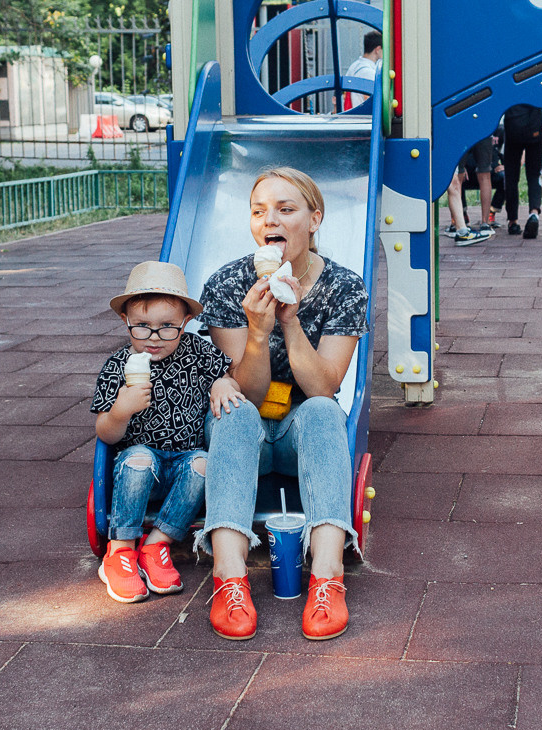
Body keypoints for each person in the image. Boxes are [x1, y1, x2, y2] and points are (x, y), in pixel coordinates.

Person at [195, 167, 369, 641]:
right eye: (258, 211)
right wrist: (257, 331)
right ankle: (229, 578)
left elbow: (323, 386)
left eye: (285, 209)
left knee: (323, 411)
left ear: (314, 220)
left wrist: (290, 323)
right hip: (249, 426)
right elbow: (249, 392)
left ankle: (327, 576)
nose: (269, 220)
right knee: (234, 411)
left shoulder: (344, 287)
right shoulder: (228, 285)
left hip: (300, 430)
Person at [91, 261, 242, 604]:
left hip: (184, 463)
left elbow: (229, 373)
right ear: (125, 320)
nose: (154, 338)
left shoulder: (196, 352)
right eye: (142, 326)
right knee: (140, 458)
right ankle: (120, 550)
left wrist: (222, 383)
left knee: (205, 462)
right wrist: (122, 408)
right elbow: (106, 433)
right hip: (138, 466)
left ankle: (157, 543)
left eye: (167, 327)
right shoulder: (117, 367)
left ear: (185, 322)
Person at [502, 103, 542, 238]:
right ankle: (534, 213)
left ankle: (513, 221)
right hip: (536, 125)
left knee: (511, 176)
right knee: (534, 174)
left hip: (513, 126)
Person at [344, 31, 382, 110]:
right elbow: (371, 99)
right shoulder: (369, 72)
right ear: (377, 49)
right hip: (363, 116)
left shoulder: (354, 66)